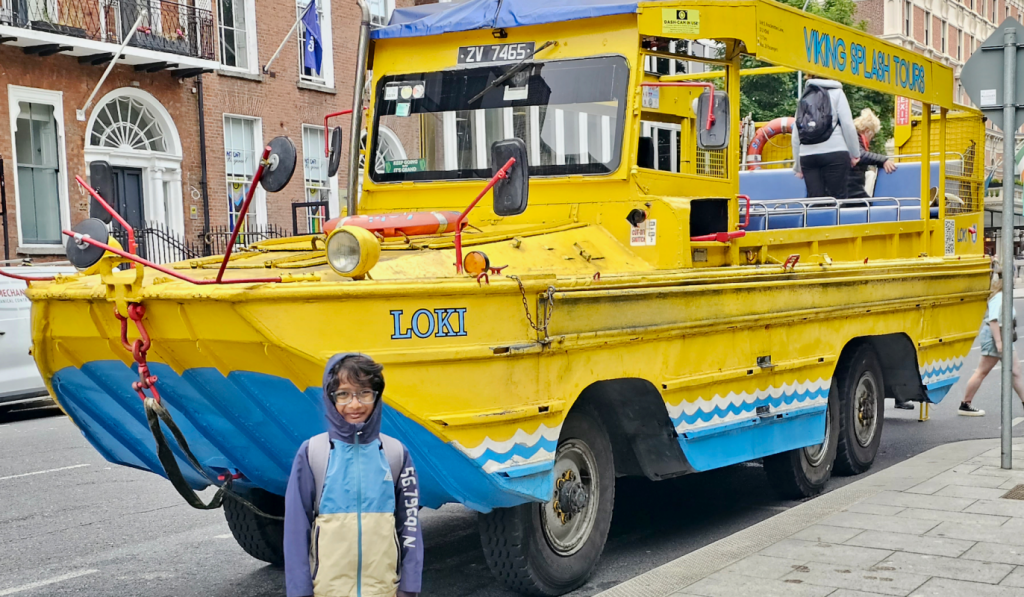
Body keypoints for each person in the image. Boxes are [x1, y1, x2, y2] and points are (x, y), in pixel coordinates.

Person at [284, 353, 422, 597]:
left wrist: (409, 586)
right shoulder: (313, 452)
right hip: (327, 590)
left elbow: (409, 523)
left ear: (377, 395)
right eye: (343, 394)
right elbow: (296, 527)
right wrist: (300, 591)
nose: (355, 404)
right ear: (330, 397)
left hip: (383, 589)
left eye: (364, 393)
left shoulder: (395, 453)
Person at [960, 274, 1023, 416]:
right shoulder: (999, 297)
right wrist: (999, 342)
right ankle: (965, 403)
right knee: (982, 371)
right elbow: (993, 320)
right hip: (995, 336)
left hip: (1003, 336)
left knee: (1016, 371)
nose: (1014, 281)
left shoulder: (1004, 296)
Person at [792, 76, 861, 199]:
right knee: (837, 198)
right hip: (835, 152)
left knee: (815, 201)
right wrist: (854, 154)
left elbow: (796, 133)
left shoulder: (805, 95)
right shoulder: (837, 93)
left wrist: (798, 165)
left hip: (808, 156)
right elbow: (848, 125)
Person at [847, 108, 897, 199]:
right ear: (867, 131)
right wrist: (883, 160)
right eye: (872, 136)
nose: (871, 140)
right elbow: (860, 155)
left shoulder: (852, 136)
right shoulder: (854, 139)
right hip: (851, 188)